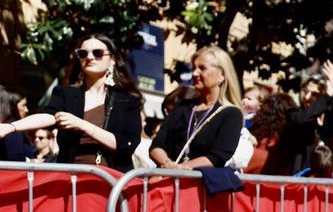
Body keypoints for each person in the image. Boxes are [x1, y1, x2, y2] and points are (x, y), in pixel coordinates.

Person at [0, 35, 143, 170]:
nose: (90, 57)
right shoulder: (66, 94)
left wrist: (81, 124)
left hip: (111, 182)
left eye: (97, 53)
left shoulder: (128, 100)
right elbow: (48, 116)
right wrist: (11, 127)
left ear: (112, 59)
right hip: (70, 181)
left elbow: (126, 145)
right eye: (83, 53)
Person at [150, 46, 244, 168]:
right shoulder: (182, 107)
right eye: (194, 68)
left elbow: (218, 156)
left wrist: (182, 168)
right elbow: (157, 144)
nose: (194, 73)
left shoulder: (231, 114)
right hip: (168, 179)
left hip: (202, 183)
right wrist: (167, 164)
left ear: (222, 75)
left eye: (202, 68)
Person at [0, 88, 35, 162]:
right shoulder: (12, 127)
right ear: (13, 107)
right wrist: (33, 162)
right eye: (23, 105)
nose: (26, 110)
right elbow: (15, 157)